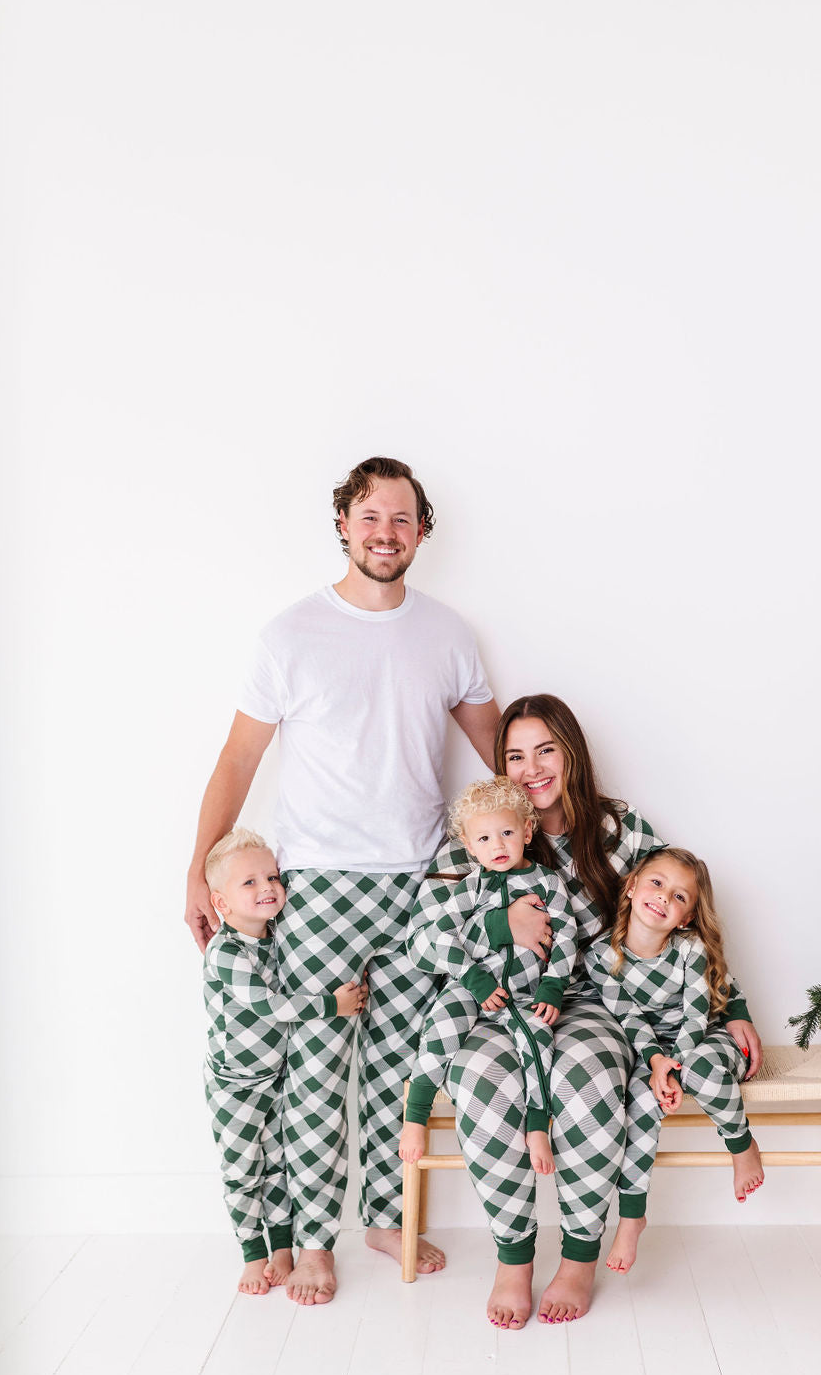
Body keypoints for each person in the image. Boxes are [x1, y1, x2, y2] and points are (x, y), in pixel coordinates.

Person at [185, 457, 499, 1303]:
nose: (385, 533)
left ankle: (388, 1217)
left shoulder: (448, 633)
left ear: (422, 530)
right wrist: (197, 872)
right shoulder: (290, 635)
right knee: (318, 1073)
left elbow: (497, 748)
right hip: (318, 882)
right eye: (370, 516)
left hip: (421, 879)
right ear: (343, 525)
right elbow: (238, 760)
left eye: (401, 518)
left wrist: (559, 819)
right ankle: (315, 1240)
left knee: (401, 1068)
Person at [409, 693, 762, 1329]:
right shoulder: (480, 829)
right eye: (515, 756)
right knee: (482, 1080)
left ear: (571, 753)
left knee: (589, 1077)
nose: (532, 768)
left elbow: (682, 901)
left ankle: (578, 1256)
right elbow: (422, 940)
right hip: (496, 1002)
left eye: (546, 750)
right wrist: (501, 926)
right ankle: (514, 1259)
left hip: (596, 999)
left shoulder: (617, 829)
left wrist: (731, 1002)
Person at [202, 827, 367, 1299]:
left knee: (277, 1165)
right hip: (235, 1083)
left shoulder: (277, 937)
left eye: (272, 877)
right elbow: (269, 1006)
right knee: (243, 1169)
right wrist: (332, 1005)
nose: (268, 887)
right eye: (249, 882)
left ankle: (281, 1250)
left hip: (274, 1075)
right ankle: (253, 1254)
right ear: (221, 902)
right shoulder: (226, 952)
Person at [586, 847, 764, 1275]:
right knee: (639, 1102)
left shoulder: (689, 949)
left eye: (680, 896)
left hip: (706, 1039)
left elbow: (696, 1014)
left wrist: (676, 1064)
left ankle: (741, 1145)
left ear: (686, 918)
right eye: (657, 883)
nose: (665, 897)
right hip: (651, 1052)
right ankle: (632, 1216)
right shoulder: (601, 956)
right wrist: (656, 1064)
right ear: (632, 887)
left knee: (701, 1070)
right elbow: (628, 1016)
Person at [400, 777, 577, 1175]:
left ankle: (537, 1126)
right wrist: (474, 980)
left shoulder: (548, 882)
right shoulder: (471, 887)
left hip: (527, 991)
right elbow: (441, 936)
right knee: (440, 1030)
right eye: (484, 839)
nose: (497, 846)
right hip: (471, 986)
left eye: (507, 833)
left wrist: (553, 985)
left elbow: (567, 934)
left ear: (527, 831)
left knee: (539, 1040)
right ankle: (415, 1117)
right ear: (469, 845)